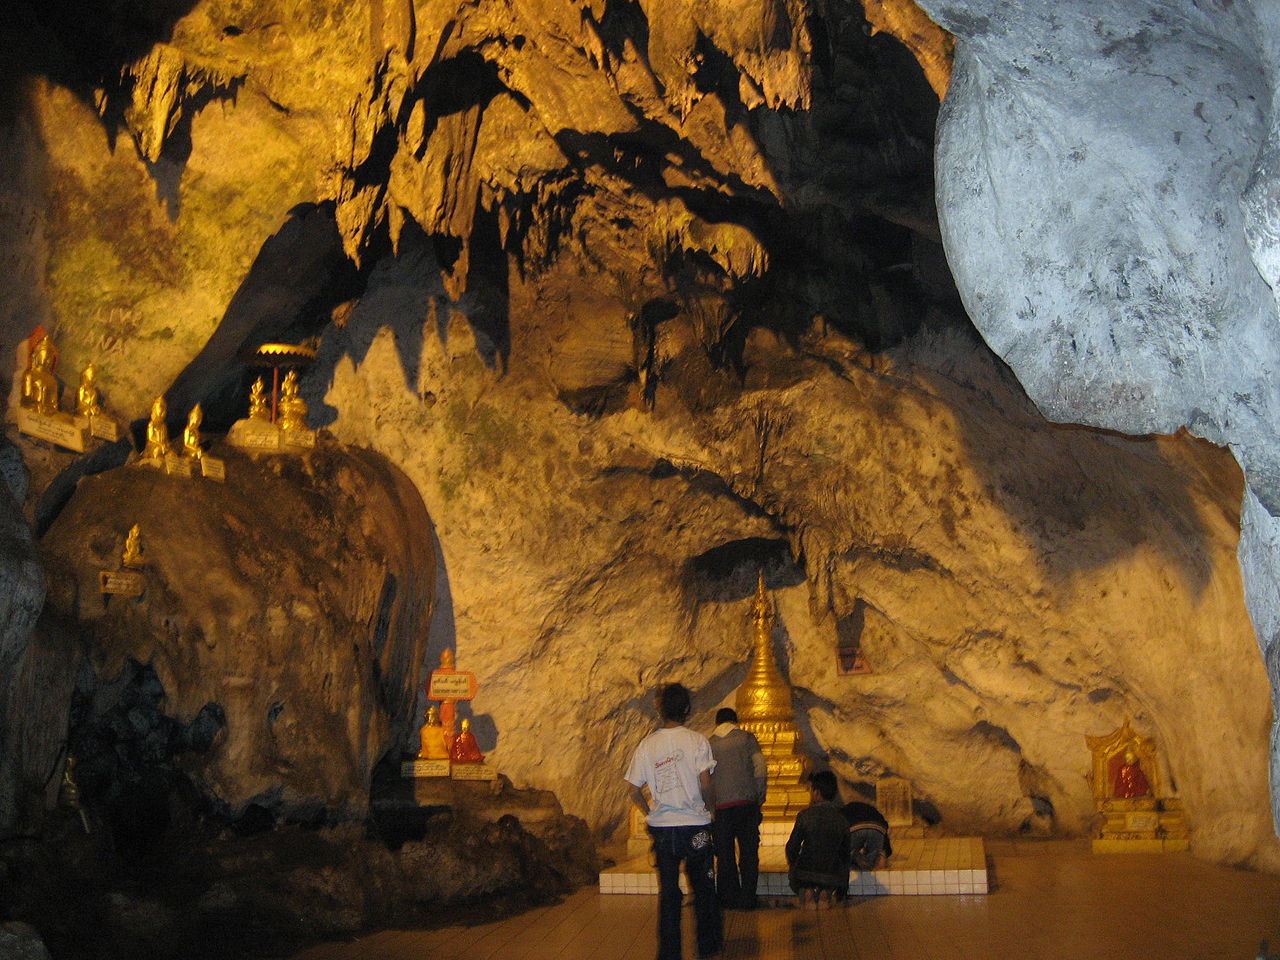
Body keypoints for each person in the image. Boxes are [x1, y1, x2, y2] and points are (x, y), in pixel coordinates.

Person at [625, 683, 723, 960]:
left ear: (660, 709)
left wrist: (650, 812)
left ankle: (669, 954)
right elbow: (706, 783)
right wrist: (711, 810)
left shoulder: (648, 745)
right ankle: (708, 948)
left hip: (664, 830)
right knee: (704, 888)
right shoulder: (697, 741)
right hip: (695, 827)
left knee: (668, 892)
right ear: (687, 709)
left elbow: (633, 788)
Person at [708, 707, 767, 909]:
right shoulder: (747, 739)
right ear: (735, 721)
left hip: (721, 807)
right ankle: (748, 898)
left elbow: (704, 779)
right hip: (746, 804)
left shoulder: (709, 744)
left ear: (717, 723)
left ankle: (729, 898)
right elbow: (760, 768)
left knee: (725, 855)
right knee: (749, 853)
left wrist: (709, 807)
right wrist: (759, 796)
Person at [785, 770, 850, 910]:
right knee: (833, 869)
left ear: (816, 793)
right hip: (831, 873)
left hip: (805, 871)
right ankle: (826, 892)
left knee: (798, 876)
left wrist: (794, 864)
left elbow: (792, 847)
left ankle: (807, 890)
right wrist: (842, 887)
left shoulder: (805, 815)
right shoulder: (842, 819)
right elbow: (845, 854)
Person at [842, 799, 892, 871]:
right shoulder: (873, 812)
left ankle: (855, 857)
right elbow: (884, 826)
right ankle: (870, 863)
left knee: (845, 856)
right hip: (877, 827)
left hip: (855, 827)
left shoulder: (843, 812)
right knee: (876, 858)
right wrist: (885, 851)